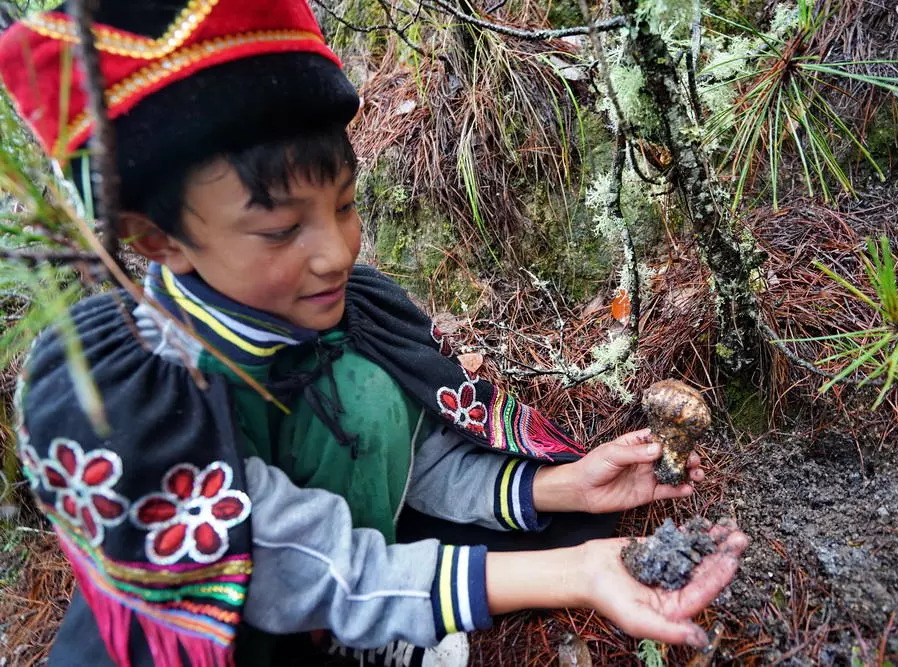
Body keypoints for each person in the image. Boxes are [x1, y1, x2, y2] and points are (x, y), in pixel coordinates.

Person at [0, 1, 749, 665]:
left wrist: (561, 486)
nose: (337, 251)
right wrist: (574, 571)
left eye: (346, 203)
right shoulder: (126, 398)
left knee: (362, 388)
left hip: (344, 591)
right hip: (231, 634)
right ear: (156, 239)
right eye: (281, 227)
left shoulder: (339, 306)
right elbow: (299, 563)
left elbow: (408, 452)